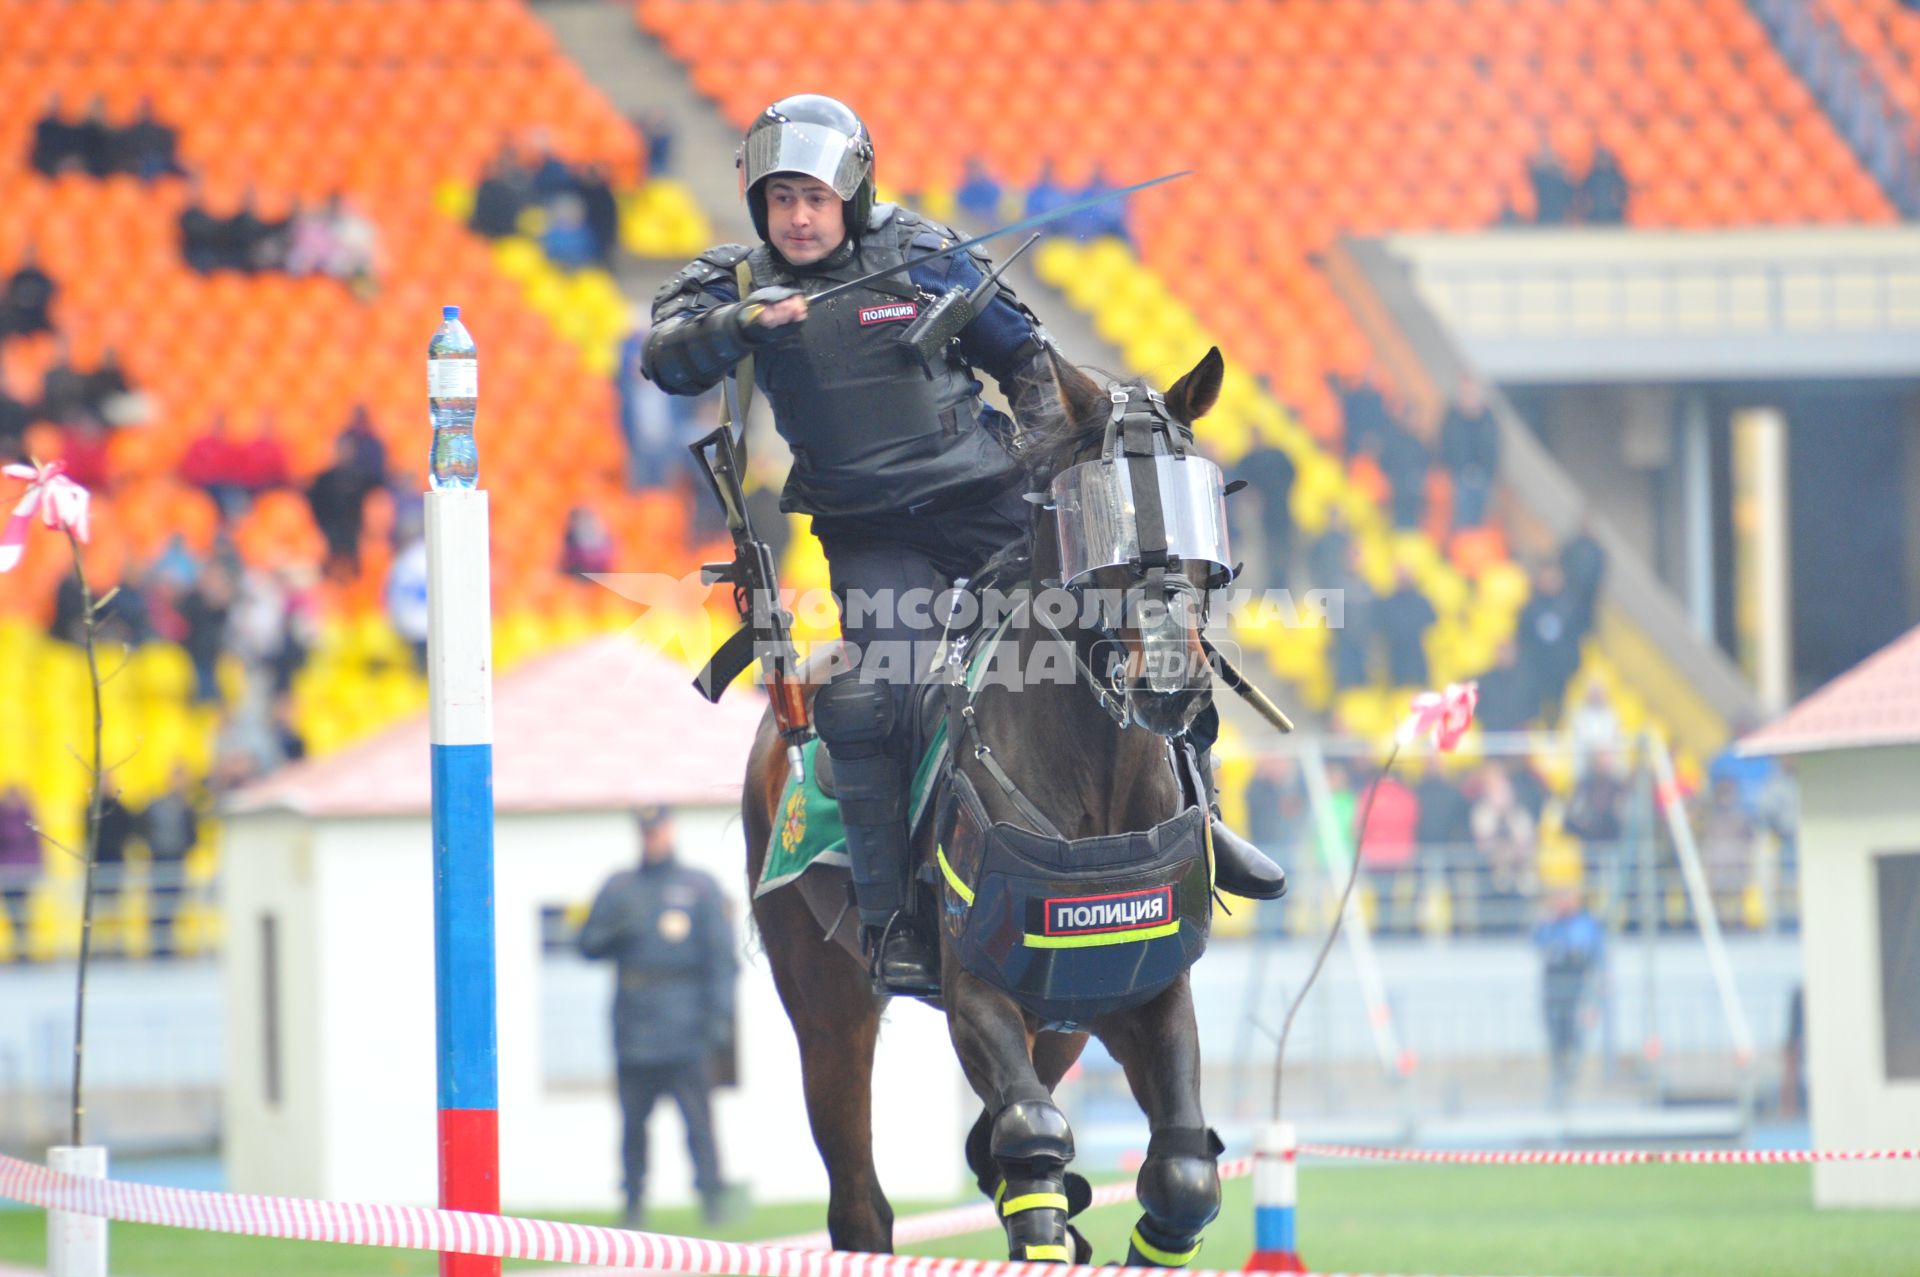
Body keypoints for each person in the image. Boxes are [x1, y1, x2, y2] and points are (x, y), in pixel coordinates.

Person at [641, 94, 1288, 992]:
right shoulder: (741, 285)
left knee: (1138, 625)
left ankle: (1201, 824)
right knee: (872, 702)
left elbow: (1026, 362)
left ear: (853, 195)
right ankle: (898, 920)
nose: (797, 216)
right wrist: (738, 329)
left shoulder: (921, 256)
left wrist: (1043, 460)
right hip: (871, 535)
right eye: (781, 199)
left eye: (815, 198)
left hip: (993, 501)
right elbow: (666, 356)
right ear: (758, 204)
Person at [578, 807, 738, 1229]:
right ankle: (632, 1203)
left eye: (658, 830)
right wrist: (617, 932)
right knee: (633, 1127)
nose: (653, 838)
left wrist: (719, 1017)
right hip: (634, 1027)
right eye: (646, 832)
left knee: (699, 1124)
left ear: (670, 830)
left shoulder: (698, 887)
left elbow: (722, 961)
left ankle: (712, 1201)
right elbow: (586, 944)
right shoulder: (619, 888)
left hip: (687, 1026)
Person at [1532, 888, 1604, 1106]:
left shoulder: (1586, 924)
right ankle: (1558, 1082)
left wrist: (1596, 995)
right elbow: (1537, 942)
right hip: (1553, 992)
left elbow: (1595, 956)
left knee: (1576, 1041)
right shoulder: (1550, 924)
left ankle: (1569, 1084)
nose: (1562, 902)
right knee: (1556, 1040)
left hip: (1577, 992)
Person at [1, 243, 56, 341]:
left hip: (38, 317)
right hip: (17, 317)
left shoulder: (43, 279)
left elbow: (49, 300)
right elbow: (9, 298)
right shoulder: (16, 278)